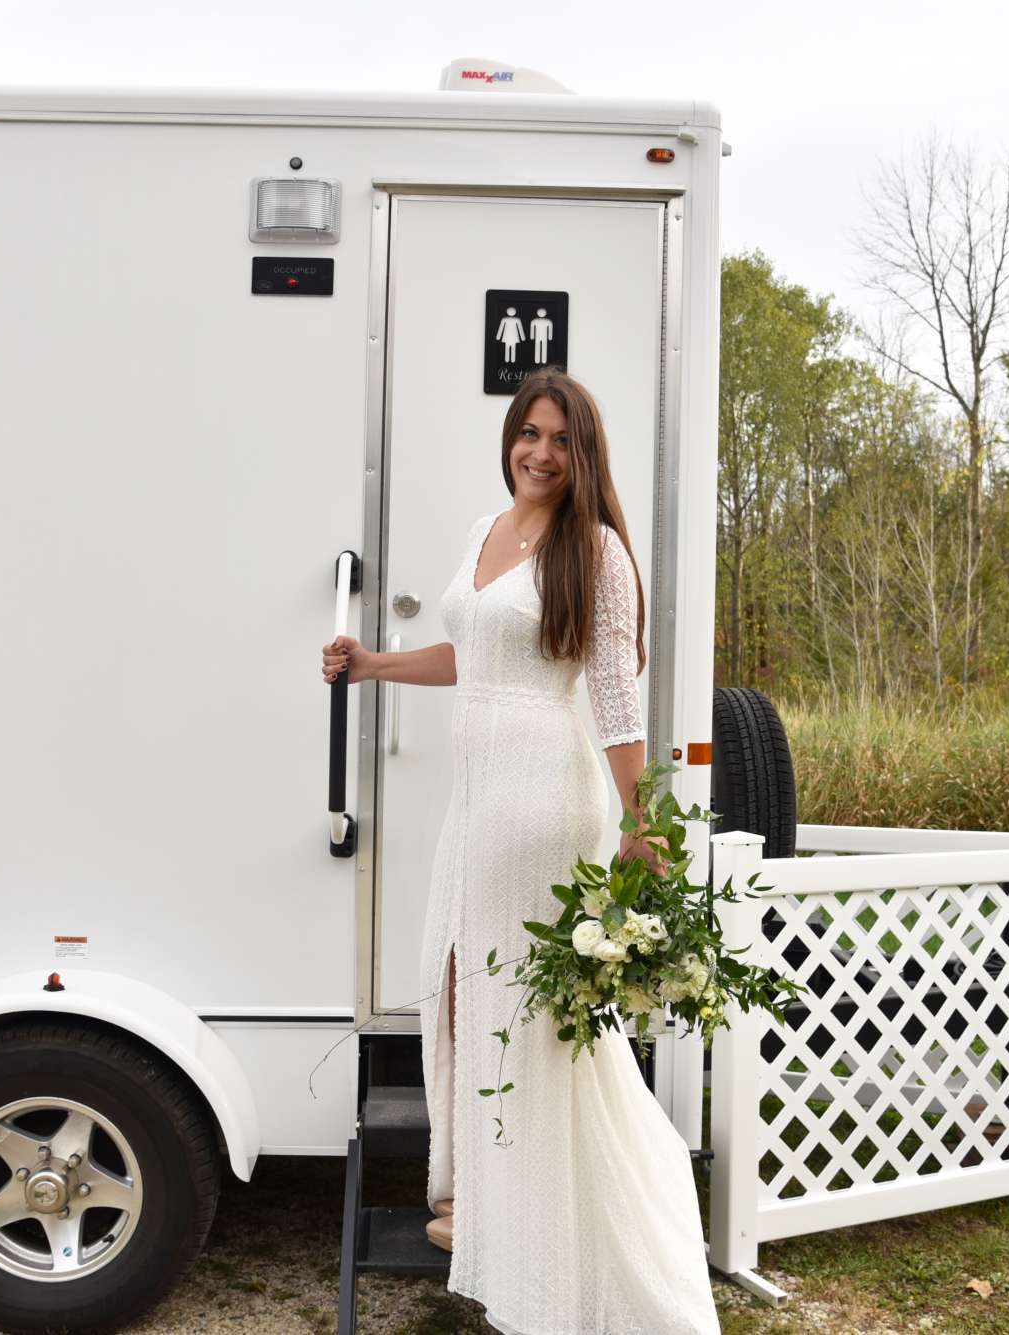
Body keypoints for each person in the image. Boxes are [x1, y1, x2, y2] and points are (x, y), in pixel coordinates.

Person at [320, 370, 719, 1334]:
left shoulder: (600, 555)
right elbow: (470, 655)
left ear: (584, 456)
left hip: (543, 794)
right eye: (528, 433)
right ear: (512, 436)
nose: (539, 453)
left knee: (518, 1007)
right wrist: (372, 663)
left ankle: (535, 1220)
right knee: (459, 986)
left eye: (560, 440)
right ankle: (476, 1193)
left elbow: (617, 700)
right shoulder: (484, 531)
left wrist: (643, 823)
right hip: (478, 799)